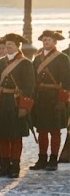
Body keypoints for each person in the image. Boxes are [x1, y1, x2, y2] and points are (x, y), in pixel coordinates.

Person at [0, 33, 35, 178]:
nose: (7, 48)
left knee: (15, 137)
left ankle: (15, 166)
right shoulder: (1, 63)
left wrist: (24, 107)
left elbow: (30, 87)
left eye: (10, 46)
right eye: (6, 46)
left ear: (17, 46)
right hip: (1, 103)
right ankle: (5, 165)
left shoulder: (26, 63)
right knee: (2, 135)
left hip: (15, 104)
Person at [30, 30, 70, 171]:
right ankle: (42, 159)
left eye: (49, 40)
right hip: (40, 98)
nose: (46, 42)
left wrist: (62, 100)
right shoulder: (37, 59)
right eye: (44, 40)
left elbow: (66, 81)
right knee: (41, 130)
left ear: (54, 42)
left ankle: (53, 160)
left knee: (54, 131)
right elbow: (33, 80)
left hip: (54, 98)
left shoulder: (63, 58)